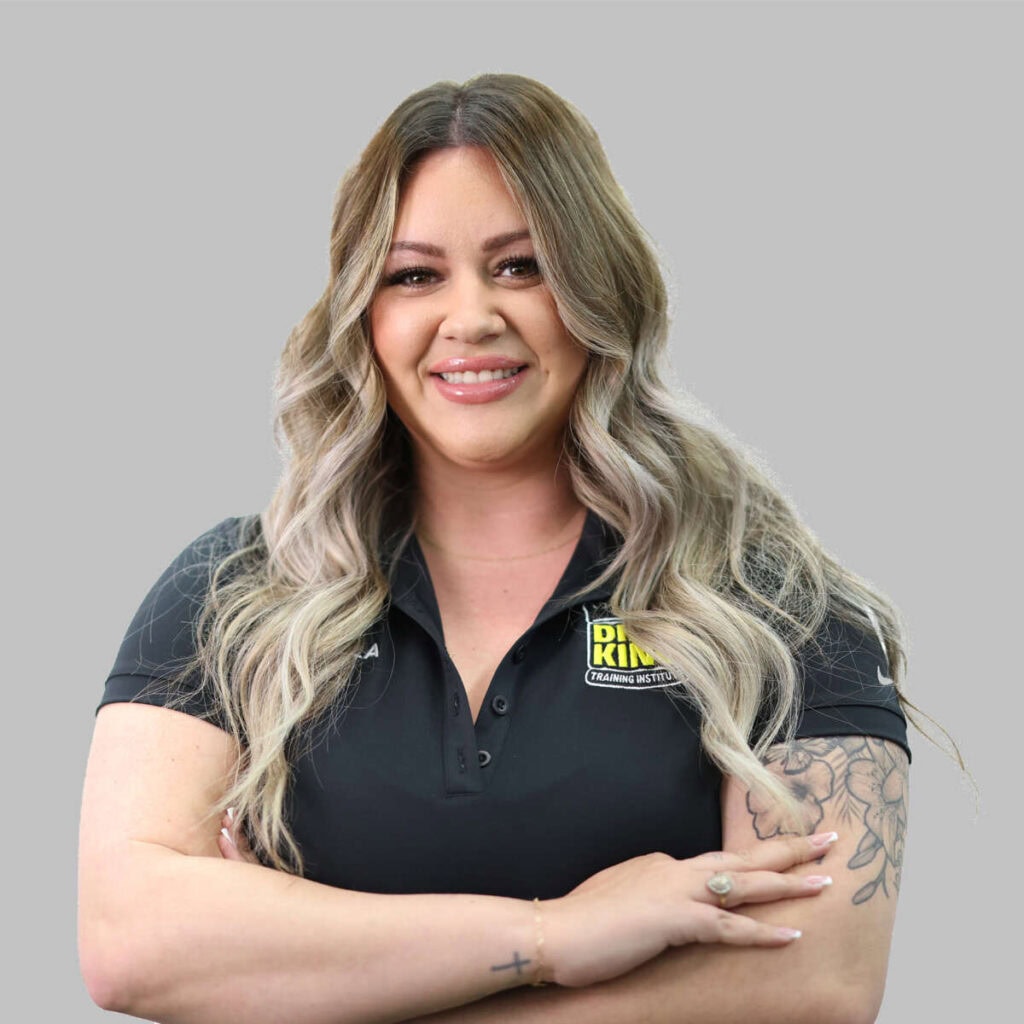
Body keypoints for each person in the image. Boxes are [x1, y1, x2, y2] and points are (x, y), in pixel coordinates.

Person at [79, 73, 912, 1024]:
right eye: (414, 275)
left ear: (600, 291)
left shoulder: (779, 605)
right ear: (364, 314)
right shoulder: (232, 592)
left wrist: (303, 972)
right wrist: (554, 937)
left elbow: (813, 981)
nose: (469, 318)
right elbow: (130, 939)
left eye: (521, 267)